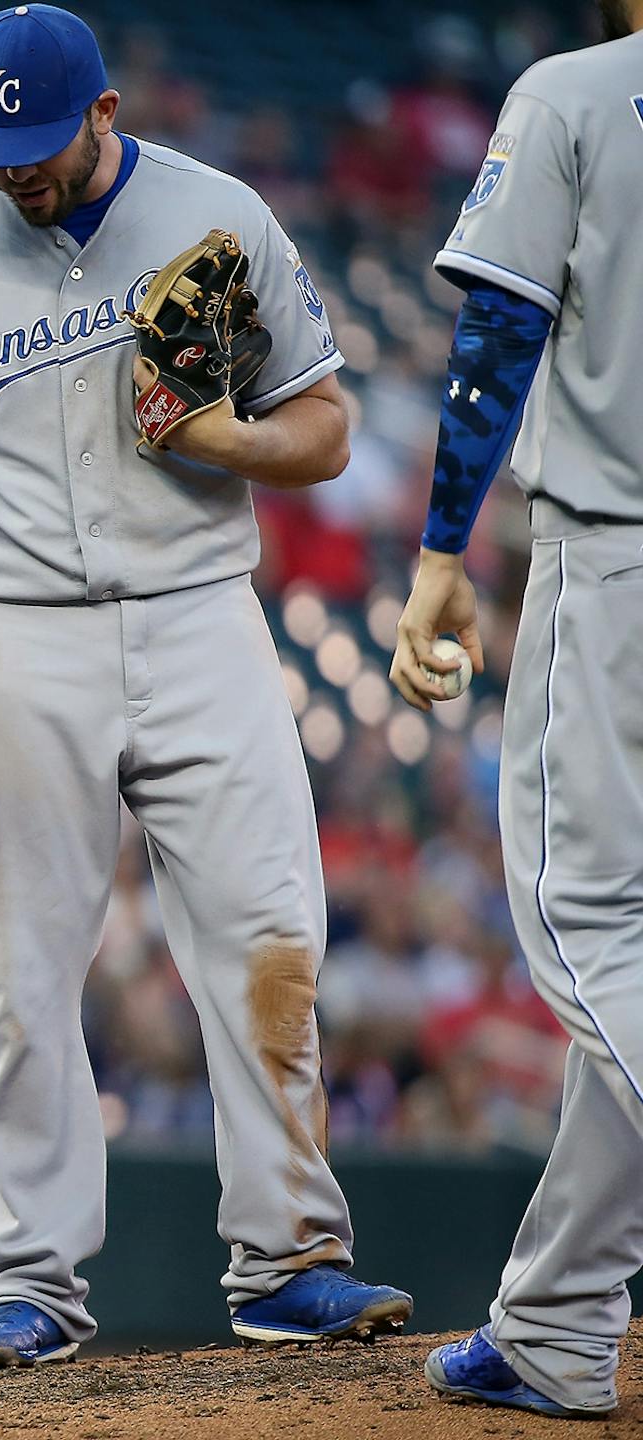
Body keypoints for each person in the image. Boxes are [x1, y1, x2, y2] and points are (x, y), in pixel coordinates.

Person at [0, 4, 411, 1369]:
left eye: (39, 139)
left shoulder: (219, 217)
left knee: (269, 945)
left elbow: (325, 430)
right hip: (8, 628)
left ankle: (290, 1259)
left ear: (107, 111)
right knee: (17, 975)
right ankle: (28, 1279)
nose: (14, 168)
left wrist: (224, 434)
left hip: (201, 610)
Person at [395, 0, 643, 1419]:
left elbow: (501, 324)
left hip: (619, 563)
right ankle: (556, 1321)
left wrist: (440, 554)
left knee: (586, 924)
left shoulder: (575, 90)